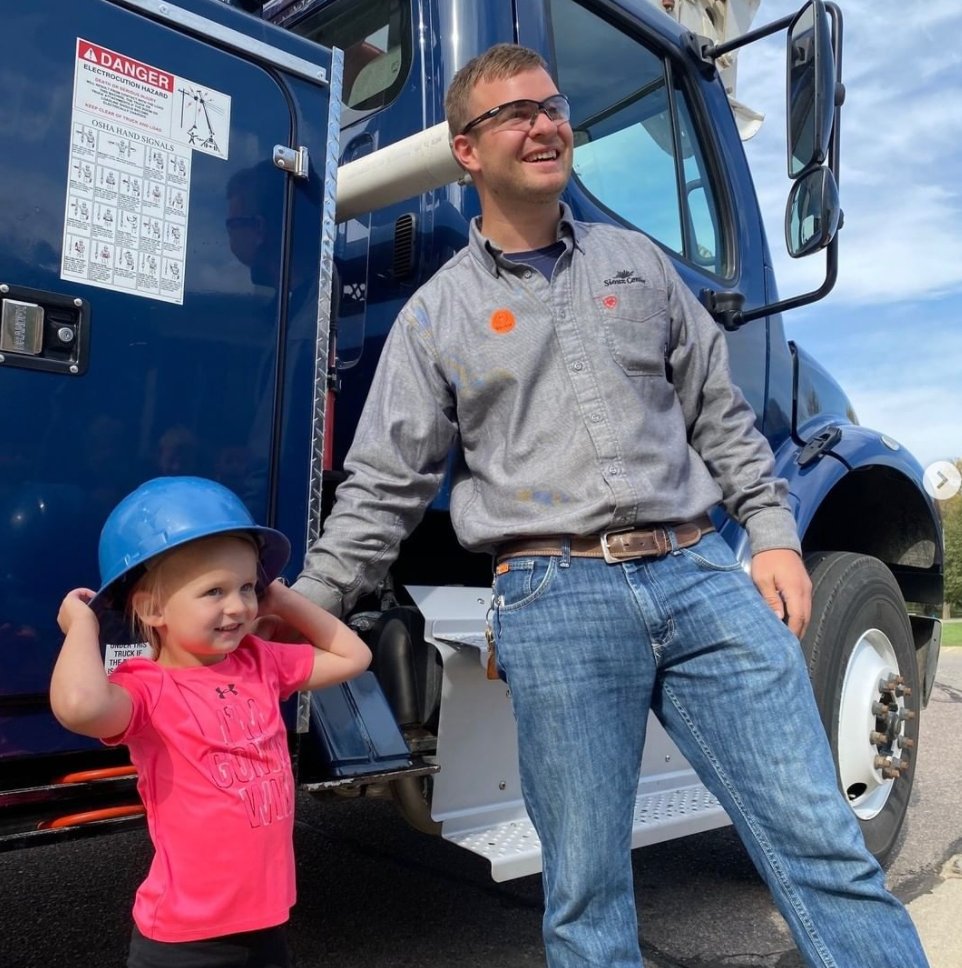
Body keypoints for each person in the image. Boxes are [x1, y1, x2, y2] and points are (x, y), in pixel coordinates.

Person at [290, 44, 929, 968]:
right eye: (517, 113)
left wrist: (777, 533)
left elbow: (723, 416)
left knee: (825, 845)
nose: (548, 123)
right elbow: (382, 489)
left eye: (553, 106)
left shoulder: (639, 262)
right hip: (555, 598)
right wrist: (303, 607)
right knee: (586, 897)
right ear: (465, 152)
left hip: (703, 575)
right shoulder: (439, 315)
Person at [50, 476, 371, 968]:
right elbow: (79, 706)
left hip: (266, 924)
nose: (240, 606)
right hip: (183, 942)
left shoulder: (259, 661)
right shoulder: (147, 688)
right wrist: (84, 626)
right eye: (214, 591)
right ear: (153, 609)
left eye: (248, 586)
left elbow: (354, 656)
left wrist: (284, 601)